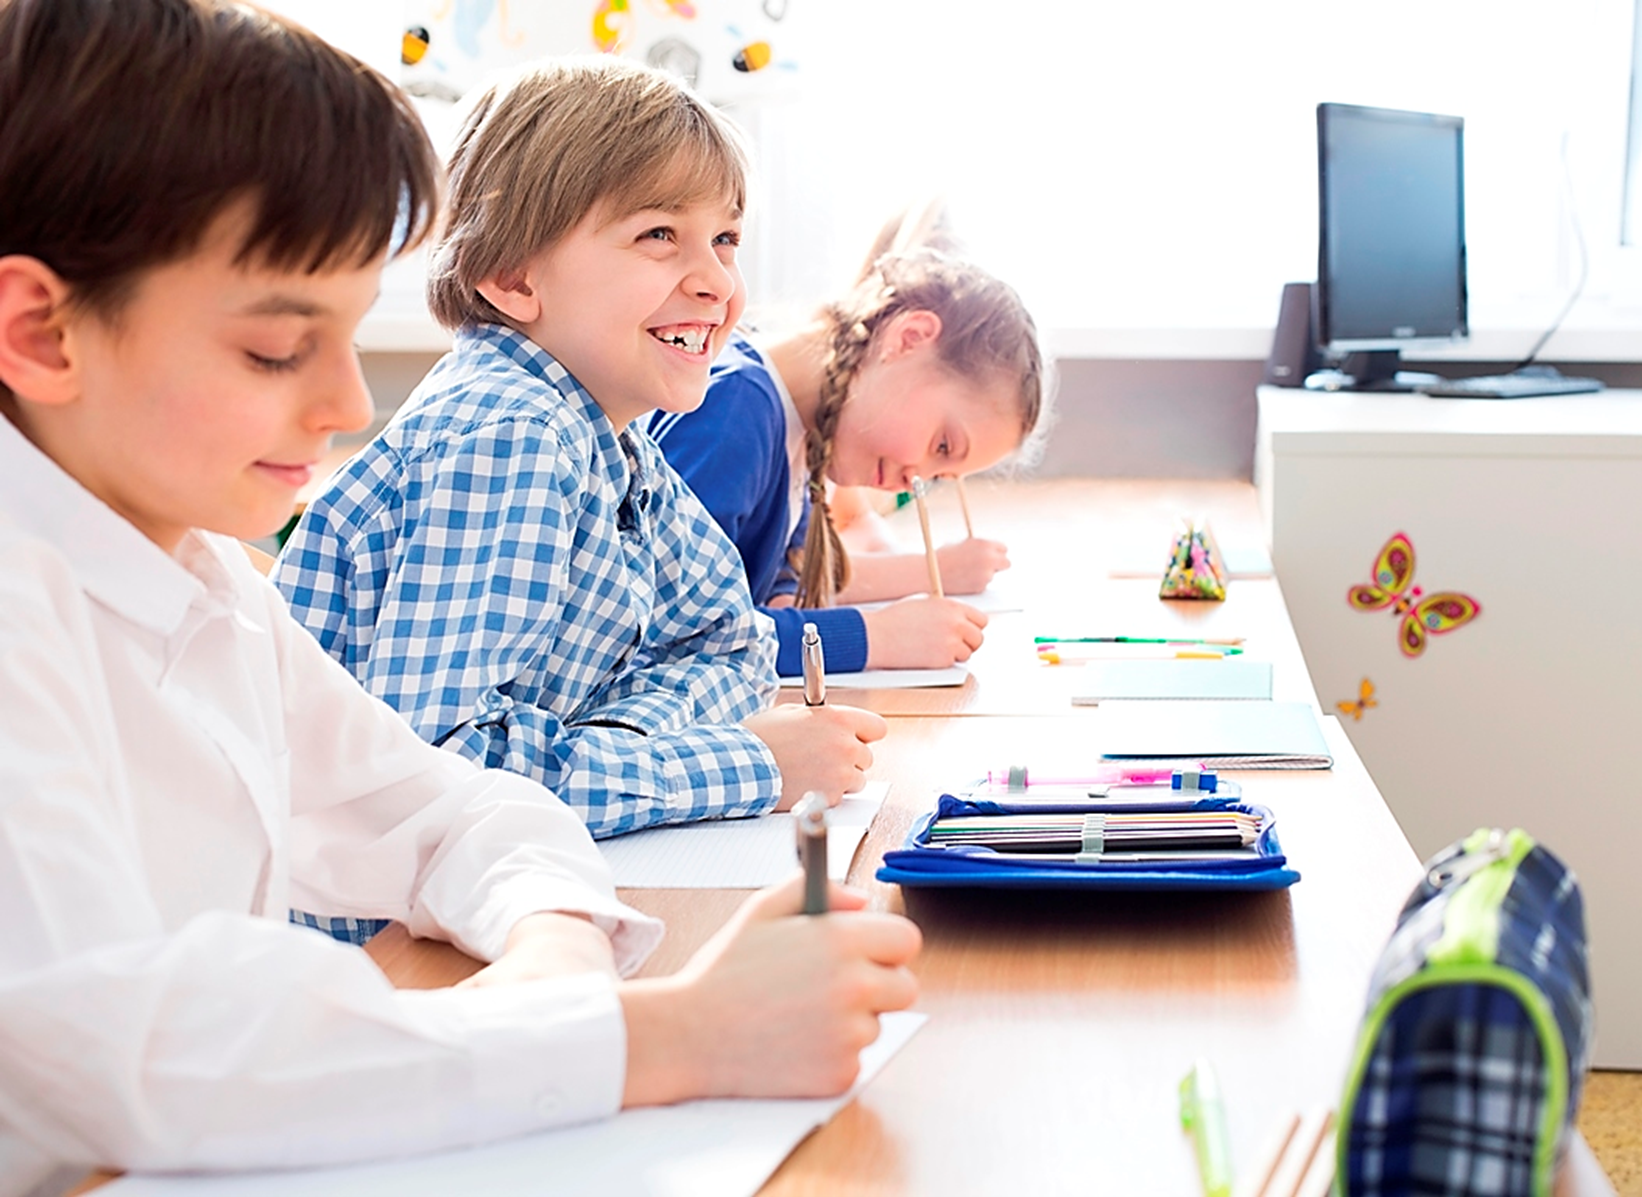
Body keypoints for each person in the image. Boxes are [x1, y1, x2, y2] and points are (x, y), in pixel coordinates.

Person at [0, 2, 919, 1190]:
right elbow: (142, 1056)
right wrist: (672, 1034)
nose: (347, 406)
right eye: (280, 349)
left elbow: (441, 806)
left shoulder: (196, 570)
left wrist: (553, 946)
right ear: (41, 332)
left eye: (346, 334)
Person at [273, 54, 886, 872]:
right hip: (376, 940)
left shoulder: (611, 431)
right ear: (512, 276)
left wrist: (605, 745)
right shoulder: (508, 435)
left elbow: (731, 645)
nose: (716, 282)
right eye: (658, 235)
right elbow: (432, 782)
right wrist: (747, 765)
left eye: (726, 238)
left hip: (479, 891)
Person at [648, 204, 1047, 677]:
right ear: (910, 338)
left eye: (940, 475)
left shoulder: (801, 438)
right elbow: (680, 637)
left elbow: (768, 594)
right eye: (941, 446)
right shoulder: (735, 411)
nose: (915, 479)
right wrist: (875, 638)